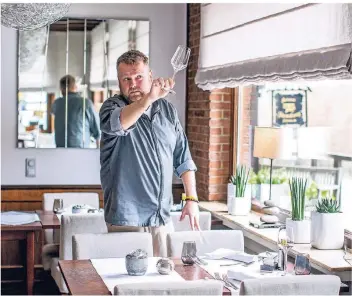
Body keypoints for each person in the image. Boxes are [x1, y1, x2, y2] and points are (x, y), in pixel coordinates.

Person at [99, 50, 200, 257]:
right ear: (119, 82)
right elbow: (121, 122)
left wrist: (192, 199)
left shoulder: (168, 111)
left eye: (138, 77)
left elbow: (183, 157)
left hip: (161, 217)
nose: (133, 83)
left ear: (151, 76)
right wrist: (150, 98)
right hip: (125, 219)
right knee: (128, 286)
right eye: (126, 79)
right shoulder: (112, 107)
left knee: (163, 282)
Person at [51, 75, 100, 148]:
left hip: (60, 151)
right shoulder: (85, 103)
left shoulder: (56, 104)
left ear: (61, 89)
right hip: (81, 151)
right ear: (75, 87)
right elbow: (97, 130)